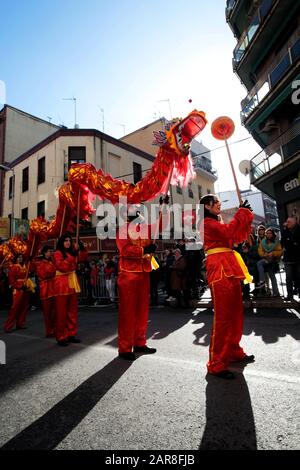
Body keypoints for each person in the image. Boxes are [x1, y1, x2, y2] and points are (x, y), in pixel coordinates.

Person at [199, 194, 255, 379]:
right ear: (206, 206)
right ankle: (217, 363)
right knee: (223, 317)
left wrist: (245, 217)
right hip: (219, 268)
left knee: (235, 313)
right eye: (215, 202)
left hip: (229, 266)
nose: (218, 204)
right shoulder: (206, 223)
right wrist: (241, 213)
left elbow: (236, 236)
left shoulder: (217, 221)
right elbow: (229, 233)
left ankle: (233, 351)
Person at [116, 199, 168, 360]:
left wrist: (163, 207)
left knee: (142, 311)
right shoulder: (123, 229)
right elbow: (125, 250)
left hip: (144, 272)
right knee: (128, 312)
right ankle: (124, 348)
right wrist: (144, 249)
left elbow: (161, 225)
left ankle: (139, 342)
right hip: (128, 274)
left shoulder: (145, 228)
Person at [53, 232, 88, 346]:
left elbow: (83, 258)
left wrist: (82, 248)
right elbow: (62, 267)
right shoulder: (57, 253)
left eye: (69, 240)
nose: (68, 243)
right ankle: (61, 336)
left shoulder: (72, 252)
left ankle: (71, 334)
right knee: (61, 312)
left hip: (72, 283)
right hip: (62, 284)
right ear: (61, 242)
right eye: (65, 240)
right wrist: (73, 255)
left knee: (72, 311)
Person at [4, 254, 35, 332]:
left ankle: (20, 324)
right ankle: (8, 326)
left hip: (26, 288)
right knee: (15, 307)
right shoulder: (13, 267)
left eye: (21, 257)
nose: (20, 259)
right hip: (18, 289)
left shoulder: (26, 266)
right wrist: (19, 286)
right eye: (19, 257)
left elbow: (32, 269)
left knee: (24, 307)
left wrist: (31, 261)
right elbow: (11, 279)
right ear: (16, 259)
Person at [35, 245, 56, 337]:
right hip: (46, 288)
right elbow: (43, 275)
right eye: (48, 251)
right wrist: (54, 272)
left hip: (54, 288)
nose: (50, 252)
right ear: (44, 253)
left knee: (55, 312)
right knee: (47, 312)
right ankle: (49, 331)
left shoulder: (53, 261)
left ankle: (55, 329)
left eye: (51, 251)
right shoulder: (40, 263)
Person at [257, 228, 282, 297]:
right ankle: (262, 281)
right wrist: (265, 255)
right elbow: (260, 251)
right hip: (265, 259)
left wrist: (273, 253)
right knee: (260, 263)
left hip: (273, 260)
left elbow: (280, 251)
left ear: (272, 234)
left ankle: (276, 292)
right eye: (267, 233)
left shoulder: (276, 241)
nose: (268, 234)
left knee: (272, 275)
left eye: (270, 233)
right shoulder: (263, 242)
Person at [281, 217, 300, 301]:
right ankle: (290, 295)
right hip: (288, 259)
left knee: (299, 277)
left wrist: (290, 243)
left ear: (294, 222)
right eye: (287, 222)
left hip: (298, 258)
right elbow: (283, 243)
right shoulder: (285, 231)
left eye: (289, 222)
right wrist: (292, 243)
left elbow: (296, 242)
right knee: (288, 278)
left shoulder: (299, 230)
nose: (287, 223)